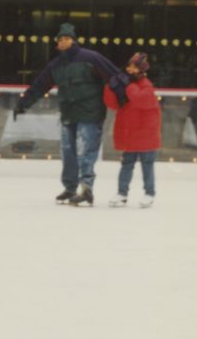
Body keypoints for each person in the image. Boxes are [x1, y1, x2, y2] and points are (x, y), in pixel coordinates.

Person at [13, 22, 123, 206]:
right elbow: (40, 86)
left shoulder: (91, 57)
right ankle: (70, 188)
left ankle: (86, 189)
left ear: (73, 40)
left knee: (86, 151)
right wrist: (23, 104)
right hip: (69, 113)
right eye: (60, 39)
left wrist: (123, 96)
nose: (63, 42)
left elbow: (114, 76)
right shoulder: (56, 65)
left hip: (90, 112)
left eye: (67, 39)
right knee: (68, 151)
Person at [103, 53, 161, 208]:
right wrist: (110, 87)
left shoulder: (146, 86)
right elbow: (113, 104)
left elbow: (140, 100)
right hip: (131, 133)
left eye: (134, 67)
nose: (129, 69)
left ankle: (149, 193)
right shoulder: (126, 84)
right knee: (126, 164)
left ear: (141, 70)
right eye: (129, 66)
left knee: (147, 165)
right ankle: (122, 193)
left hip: (145, 134)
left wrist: (128, 85)